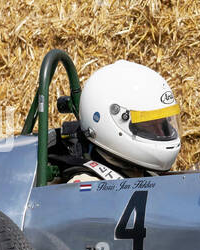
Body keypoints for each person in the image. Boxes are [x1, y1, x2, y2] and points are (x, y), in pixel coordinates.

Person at [53, 60, 181, 184]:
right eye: (149, 125)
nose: (160, 132)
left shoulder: (144, 172)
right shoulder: (88, 185)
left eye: (163, 124)